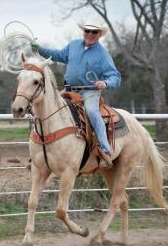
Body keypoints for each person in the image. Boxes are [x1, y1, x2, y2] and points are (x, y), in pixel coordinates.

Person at [31, 17, 121, 168]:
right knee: (49, 107)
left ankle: (105, 149)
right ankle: (41, 150)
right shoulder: (73, 45)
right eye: (87, 31)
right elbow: (58, 55)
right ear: (84, 31)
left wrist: (105, 83)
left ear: (99, 34)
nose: (90, 34)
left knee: (92, 112)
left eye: (94, 32)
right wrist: (39, 49)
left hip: (89, 91)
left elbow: (115, 76)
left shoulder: (103, 54)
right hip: (69, 89)